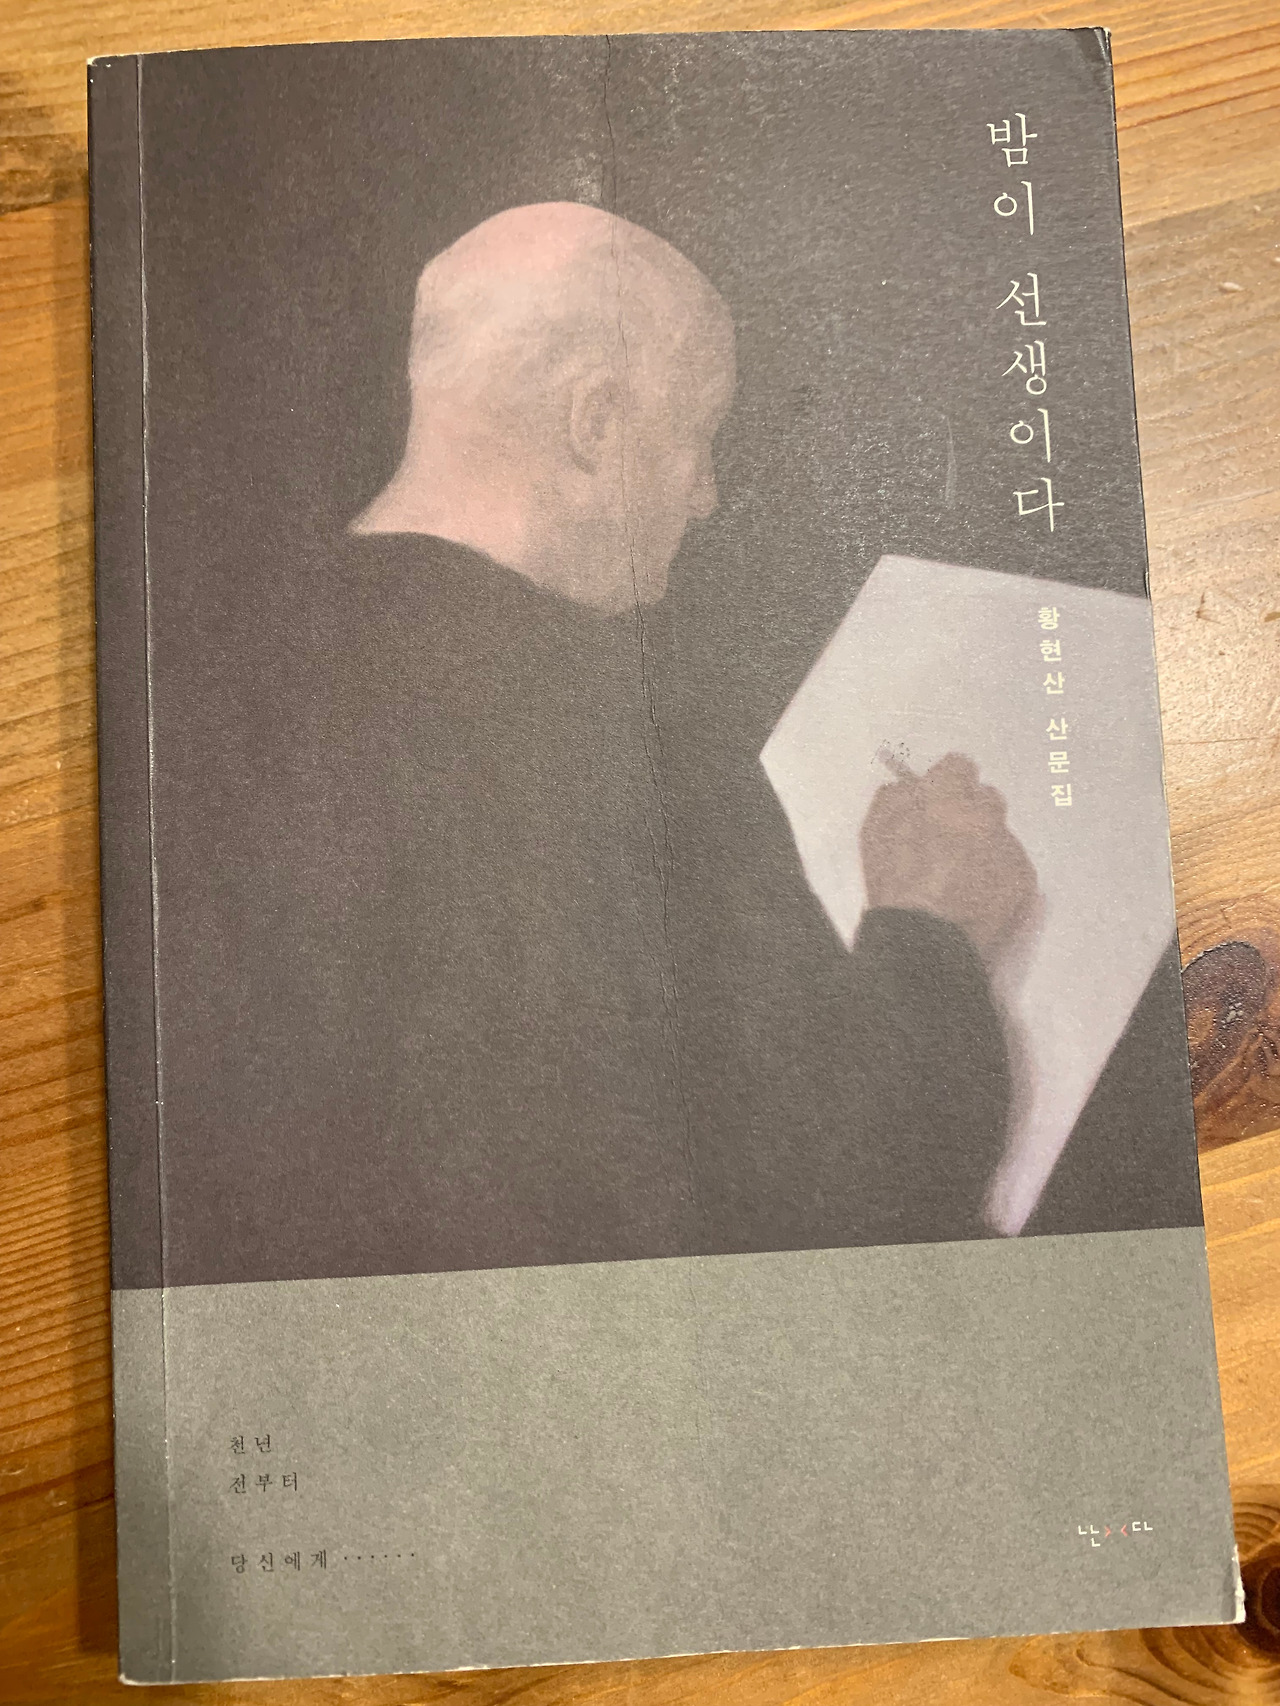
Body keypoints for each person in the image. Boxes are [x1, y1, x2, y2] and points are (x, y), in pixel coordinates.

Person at [164, 203, 1037, 1285]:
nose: (706, 495)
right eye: (699, 435)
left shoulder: (214, 665)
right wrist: (932, 915)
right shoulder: (607, 734)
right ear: (597, 421)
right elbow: (854, 1182)